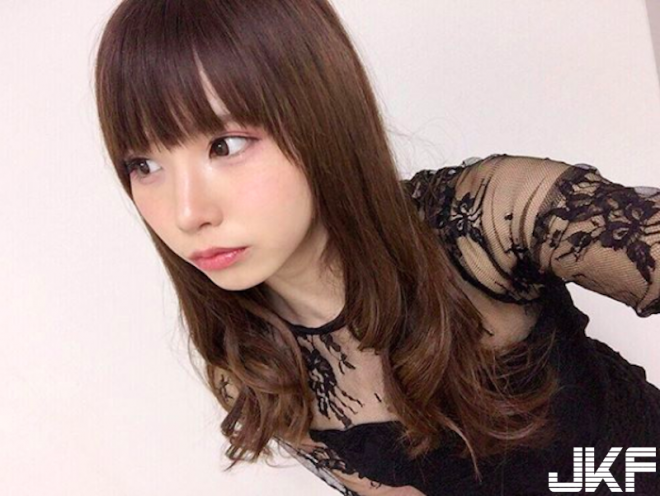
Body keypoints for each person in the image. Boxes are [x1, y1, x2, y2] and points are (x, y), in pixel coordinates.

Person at [93, 0, 660, 494]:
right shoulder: (252, 362)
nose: (187, 213)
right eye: (144, 164)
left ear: (319, 116)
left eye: (226, 144)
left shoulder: (488, 221)